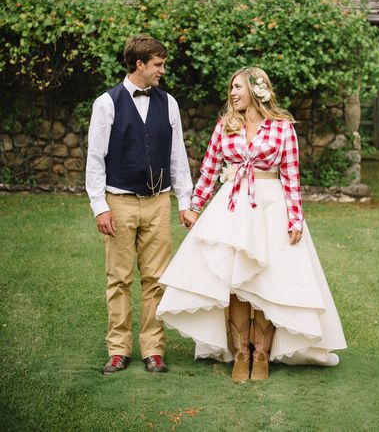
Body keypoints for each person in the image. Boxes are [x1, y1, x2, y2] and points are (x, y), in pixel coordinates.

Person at [157, 67, 346, 382]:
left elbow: (292, 177)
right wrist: (194, 206)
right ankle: (241, 353)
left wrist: (295, 218)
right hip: (232, 208)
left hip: (271, 207)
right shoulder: (225, 126)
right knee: (234, 284)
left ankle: (262, 355)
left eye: (237, 87)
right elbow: (208, 169)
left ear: (257, 90)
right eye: (231, 87)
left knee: (266, 281)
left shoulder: (283, 128)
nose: (232, 93)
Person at [86, 34, 192, 375]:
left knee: (157, 279)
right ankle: (118, 350)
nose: (162, 70)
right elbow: (95, 159)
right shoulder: (106, 103)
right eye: (158, 65)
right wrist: (100, 205)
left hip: (159, 201)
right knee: (118, 279)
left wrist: (184, 201)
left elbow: (178, 157)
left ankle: (153, 350)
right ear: (139, 65)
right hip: (119, 202)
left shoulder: (169, 103)